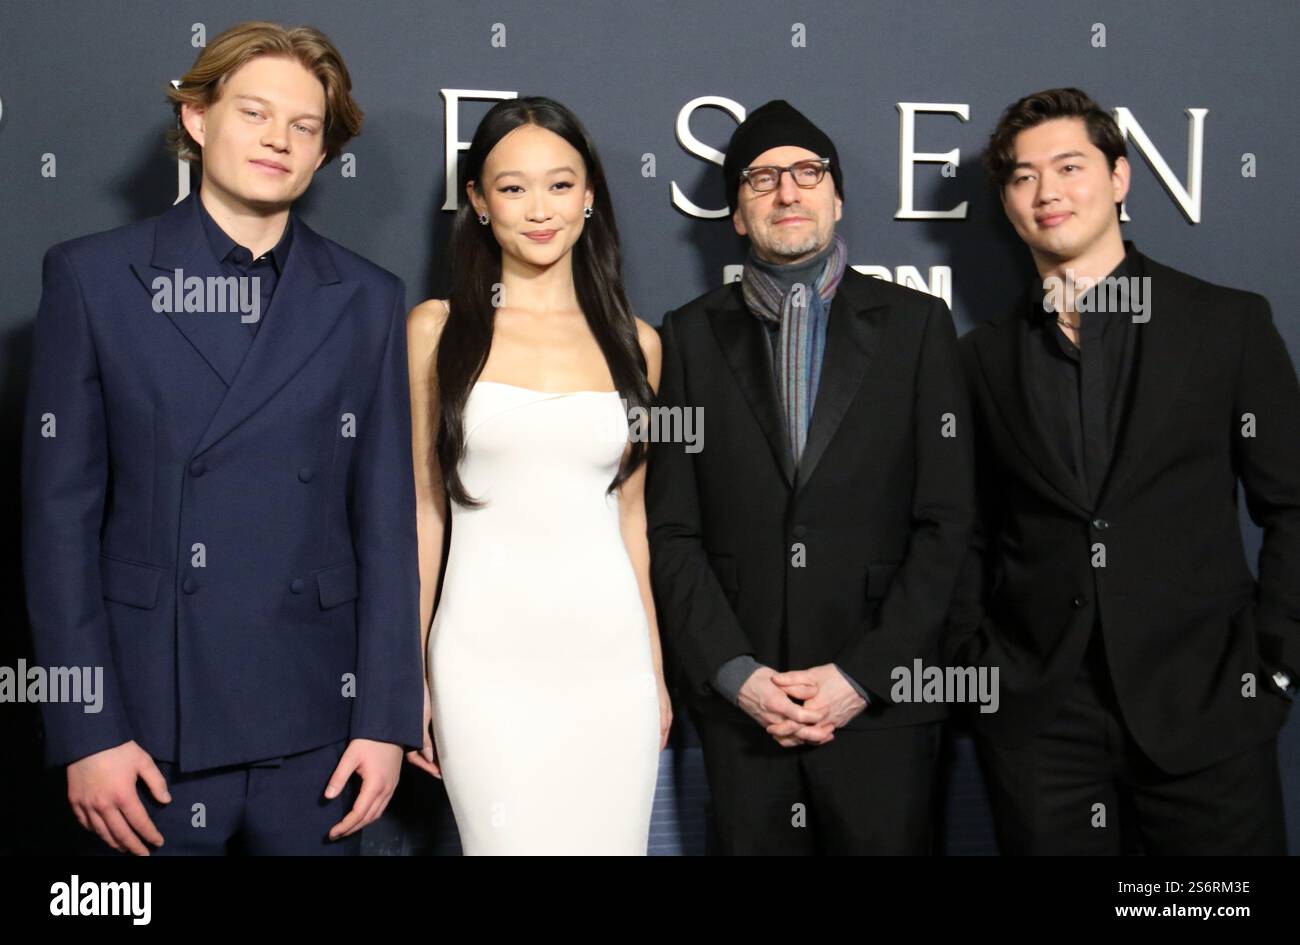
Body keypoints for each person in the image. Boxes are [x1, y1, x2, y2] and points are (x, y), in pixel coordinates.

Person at [21, 20, 423, 855]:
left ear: (322, 154)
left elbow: (386, 523)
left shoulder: (368, 298)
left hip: (318, 731)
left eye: (304, 127)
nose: (278, 139)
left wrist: (385, 715)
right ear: (199, 120)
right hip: (146, 730)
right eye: (253, 113)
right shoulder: (92, 278)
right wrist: (87, 730)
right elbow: (57, 528)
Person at [946, 87, 1299, 854]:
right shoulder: (980, 360)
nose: (1047, 193)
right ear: (1006, 200)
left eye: (1069, 166)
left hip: (1208, 708)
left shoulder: (1227, 324)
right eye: (1022, 176)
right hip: (1041, 723)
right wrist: (982, 672)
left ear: (1119, 177)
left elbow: (1293, 504)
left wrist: (1274, 667)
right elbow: (964, 532)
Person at [647, 100, 974, 854]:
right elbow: (671, 527)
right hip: (744, 713)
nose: (787, 192)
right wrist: (737, 674)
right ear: (736, 215)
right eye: (762, 179)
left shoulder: (919, 327)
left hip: (884, 706)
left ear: (836, 195)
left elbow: (948, 521)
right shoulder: (686, 336)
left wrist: (863, 675)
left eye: (806, 172)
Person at [405, 96, 669, 855]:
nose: (540, 209)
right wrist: (408, 672)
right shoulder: (436, 330)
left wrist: (652, 672)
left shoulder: (637, 344)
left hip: (609, 662)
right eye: (512, 188)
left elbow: (633, 522)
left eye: (560, 184)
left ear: (590, 196)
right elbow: (425, 514)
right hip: (482, 664)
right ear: (480, 204)